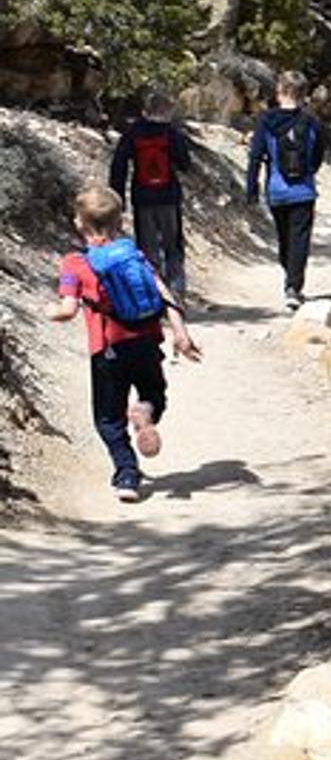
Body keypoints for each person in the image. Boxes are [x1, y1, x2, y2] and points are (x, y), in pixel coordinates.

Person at [48, 186, 202, 503]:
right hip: (146, 342)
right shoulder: (133, 254)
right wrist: (181, 334)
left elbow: (67, 309)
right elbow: (163, 293)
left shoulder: (75, 263)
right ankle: (144, 411)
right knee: (154, 394)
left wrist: (50, 311)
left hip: (108, 349)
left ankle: (127, 473)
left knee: (107, 418)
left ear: (80, 223)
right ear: (120, 220)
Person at [245, 70, 324, 309]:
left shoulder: (266, 120)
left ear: (280, 92)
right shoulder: (312, 122)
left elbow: (256, 156)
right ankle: (293, 286)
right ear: (303, 94)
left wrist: (251, 188)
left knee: (284, 239)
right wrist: (308, 171)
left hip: (276, 191)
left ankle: (290, 279)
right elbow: (318, 155)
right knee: (300, 239)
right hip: (304, 191)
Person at [108, 88, 194, 302]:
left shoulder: (133, 132)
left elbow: (118, 166)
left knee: (147, 248)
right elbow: (185, 165)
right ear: (167, 111)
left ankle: (153, 294)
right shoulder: (172, 133)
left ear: (147, 110)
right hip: (168, 197)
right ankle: (176, 293)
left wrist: (118, 199)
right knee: (172, 246)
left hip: (142, 197)